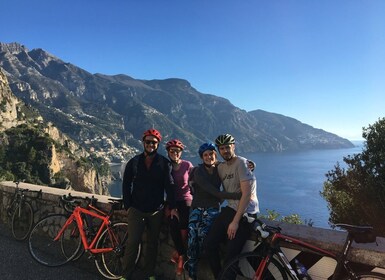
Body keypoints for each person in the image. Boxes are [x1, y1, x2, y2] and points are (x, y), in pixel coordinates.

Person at [120, 129, 178, 280]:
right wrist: (128, 206)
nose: (151, 144)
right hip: (136, 209)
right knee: (132, 243)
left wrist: (171, 206)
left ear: (158, 144)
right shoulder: (134, 162)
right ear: (143, 143)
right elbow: (126, 184)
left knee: (153, 244)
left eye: (154, 142)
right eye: (148, 142)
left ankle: (149, 274)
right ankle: (126, 275)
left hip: (156, 211)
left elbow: (169, 186)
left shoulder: (164, 163)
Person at [203, 134, 259, 279]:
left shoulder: (242, 163)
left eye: (228, 147)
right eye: (222, 148)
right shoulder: (221, 167)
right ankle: (219, 277)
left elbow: (246, 195)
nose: (225, 151)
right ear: (219, 151)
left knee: (231, 256)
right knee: (209, 244)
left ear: (233, 146)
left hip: (246, 213)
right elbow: (207, 165)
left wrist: (235, 222)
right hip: (230, 209)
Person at [186, 142, 242, 280]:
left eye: (211, 153)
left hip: (212, 209)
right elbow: (215, 192)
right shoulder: (199, 172)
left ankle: (216, 273)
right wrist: (237, 195)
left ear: (215, 154)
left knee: (205, 237)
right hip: (197, 208)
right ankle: (191, 272)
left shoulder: (220, 168)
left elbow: (235, 165)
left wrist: (251, 164)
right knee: (192, 238)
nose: (208, 157)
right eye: (205, 155)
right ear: (201, 157)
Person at [165, 139, 193, 275]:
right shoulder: (166, 166)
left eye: (177, 151)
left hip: (186, 199)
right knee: (172, 222)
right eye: (172, 151)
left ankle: (178, 253)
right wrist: (172, 207)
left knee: (184, 223)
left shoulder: (187, 165)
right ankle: (182, 255)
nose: (175, 153)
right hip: (172, 201)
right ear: (168, 152)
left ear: (181, 152)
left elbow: (198, 177)